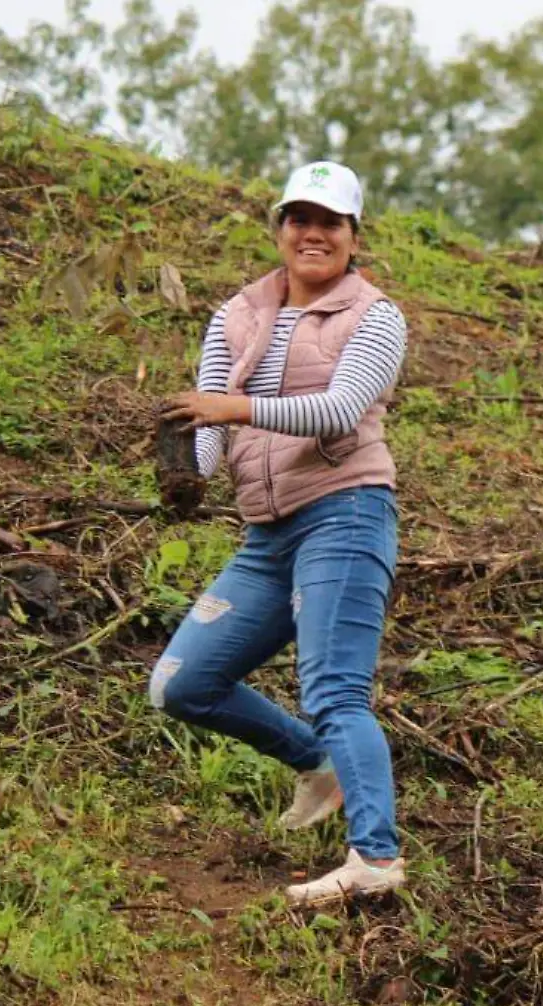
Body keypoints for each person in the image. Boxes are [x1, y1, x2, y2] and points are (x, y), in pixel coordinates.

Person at [153, 160, 410, 906]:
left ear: (354, 236)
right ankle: (320, 766)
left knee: (335, 689)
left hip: (346, 511)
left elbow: (337, 409)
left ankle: (377, 860)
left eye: (331, 221)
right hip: (266, 535)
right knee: (181, 684)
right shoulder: (235, 315)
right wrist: (185, 464)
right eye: (299, 218)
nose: (313, 233)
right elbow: (211, 431)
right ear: (279, 229)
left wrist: (229, 412)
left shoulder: (376, 316)